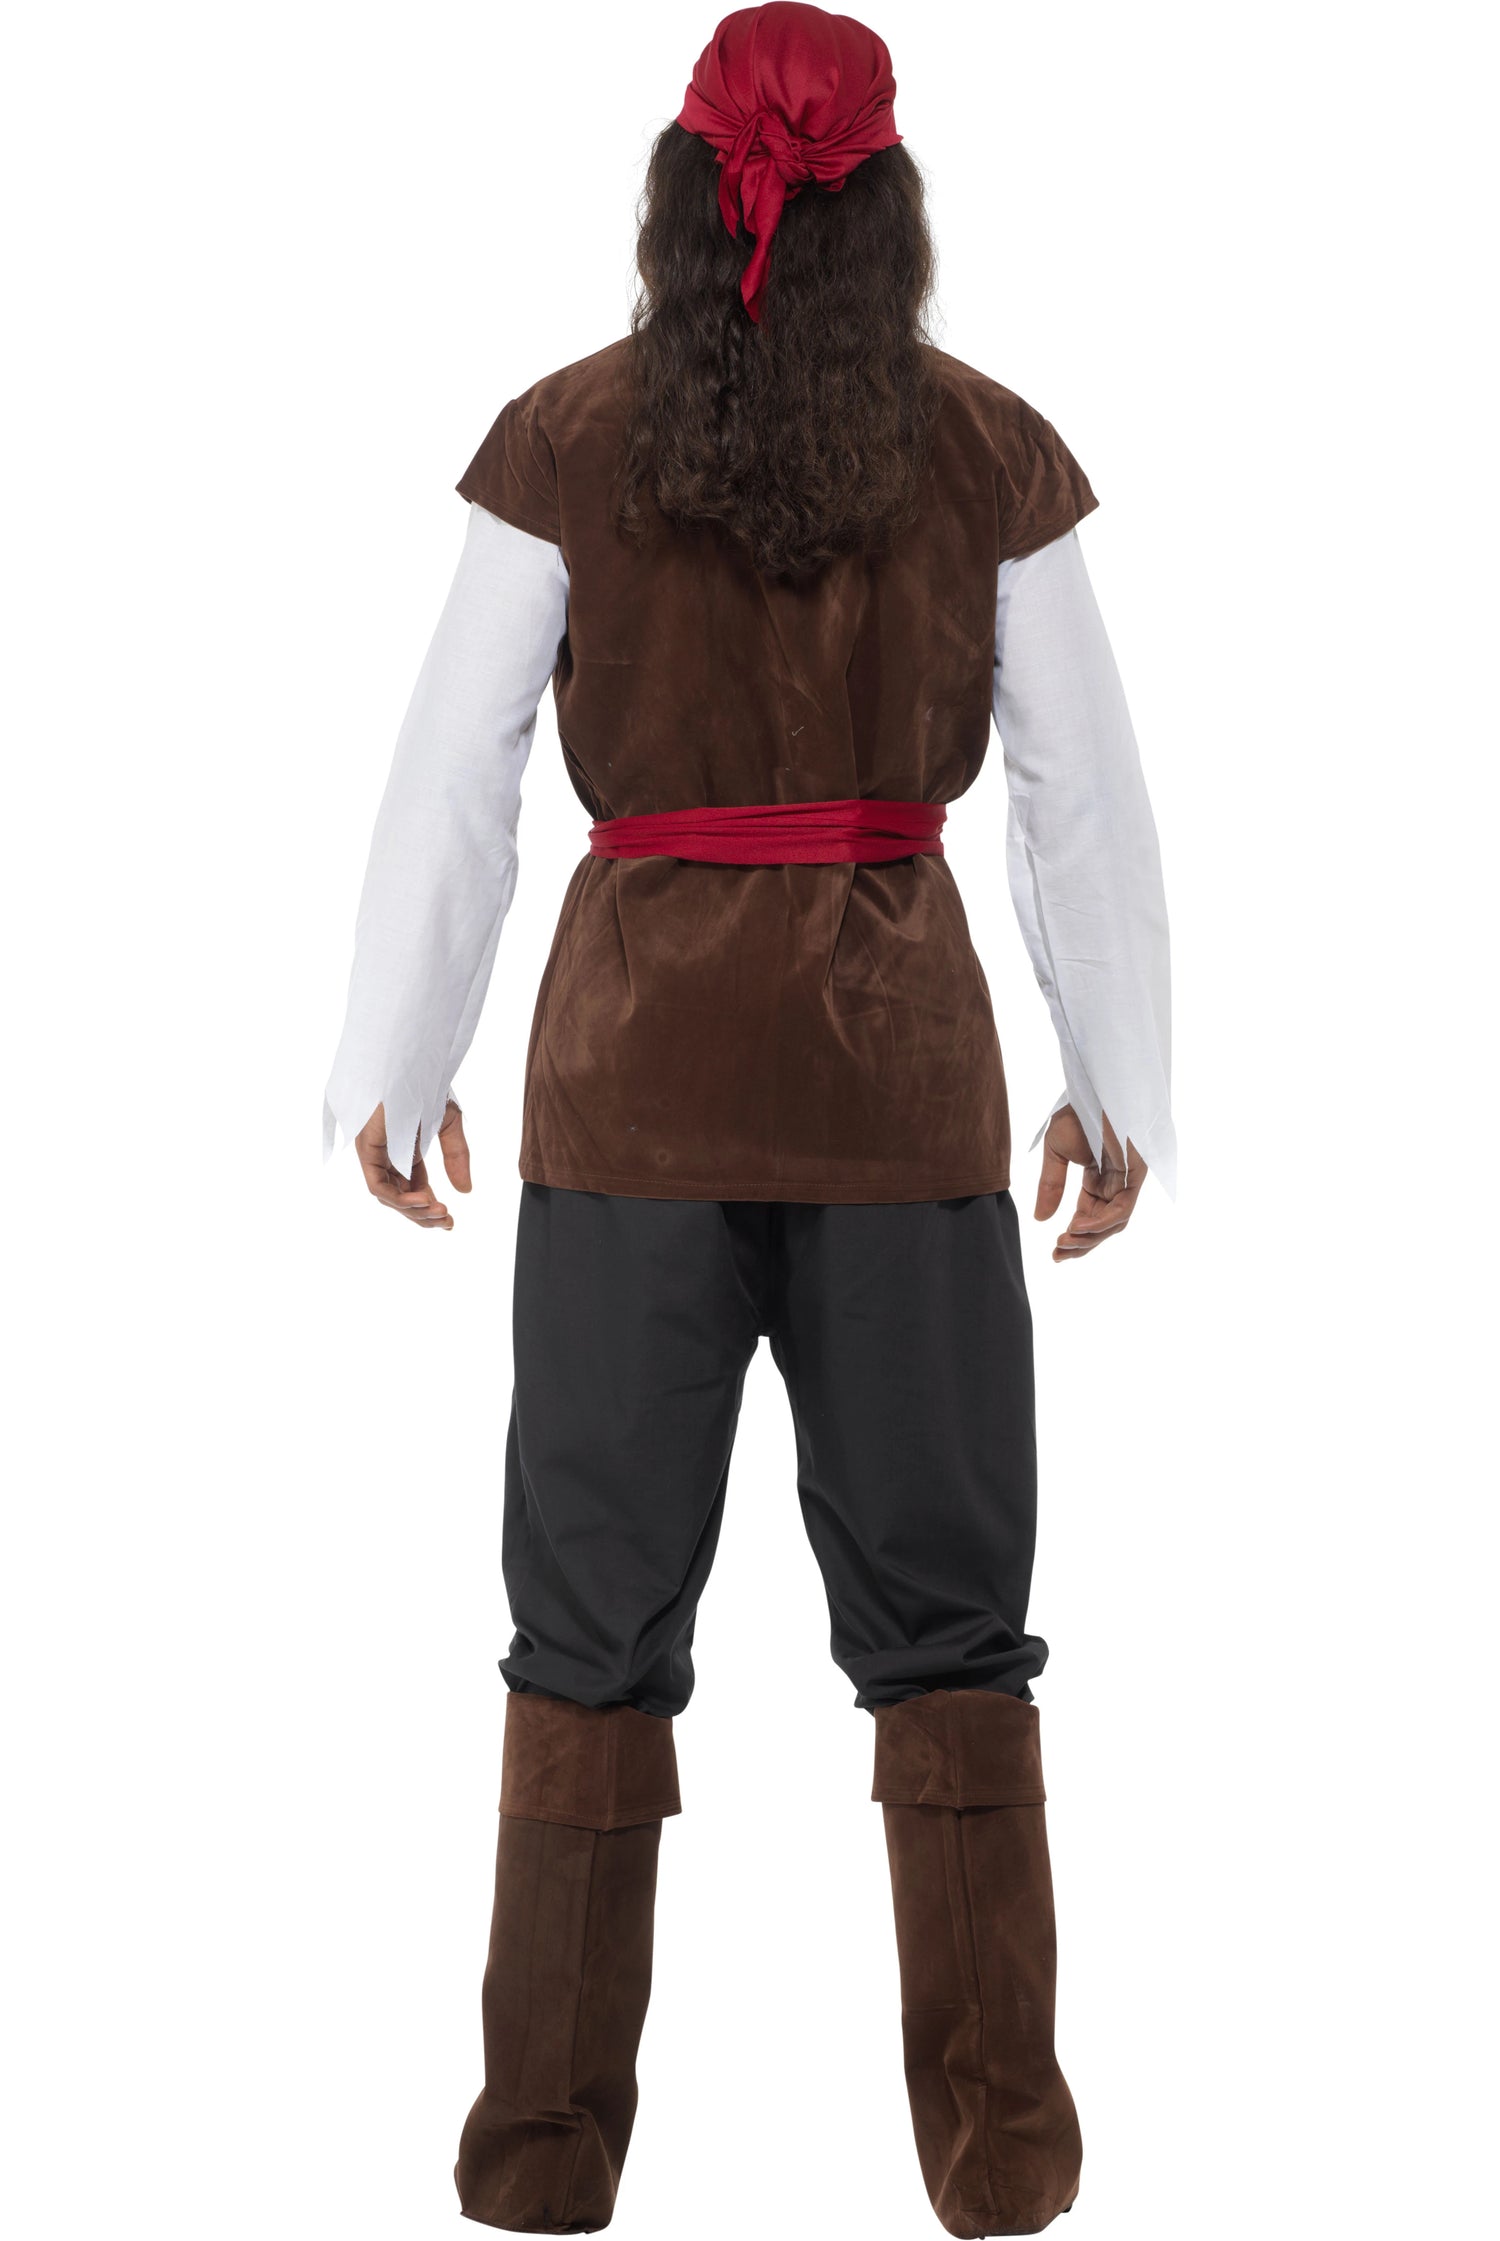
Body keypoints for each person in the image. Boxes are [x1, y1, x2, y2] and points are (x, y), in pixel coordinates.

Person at [324, 6, 1173, 2233]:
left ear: (682, 205)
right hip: (900, 1102)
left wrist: (395, 1059)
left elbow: (455, 773)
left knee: (585, 1630)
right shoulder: (989, 450)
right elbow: (1082, 800)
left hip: (631, 1105)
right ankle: (1001, 2153)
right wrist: (1115, 1083)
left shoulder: (565, 436)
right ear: (890, 211)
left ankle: (539, 2156)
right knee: (955, 1631)